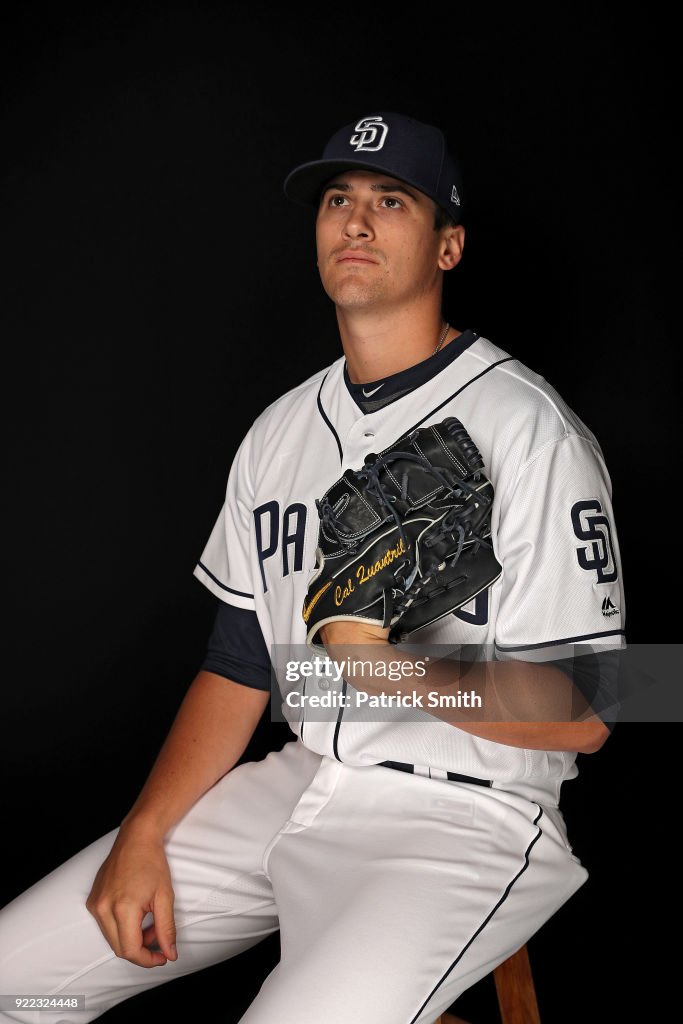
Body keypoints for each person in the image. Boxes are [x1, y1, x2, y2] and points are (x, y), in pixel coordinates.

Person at [0, 111, 624, 1024]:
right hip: (298, 780)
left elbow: (601, 702)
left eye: (390, 201)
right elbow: (239, 663)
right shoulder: (281, 430)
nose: (356, 222)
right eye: (338, 199)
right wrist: (142, 835)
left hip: (461, 819)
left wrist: (386, 668)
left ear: (448, 246)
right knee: (16, 979)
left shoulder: (529, 428)